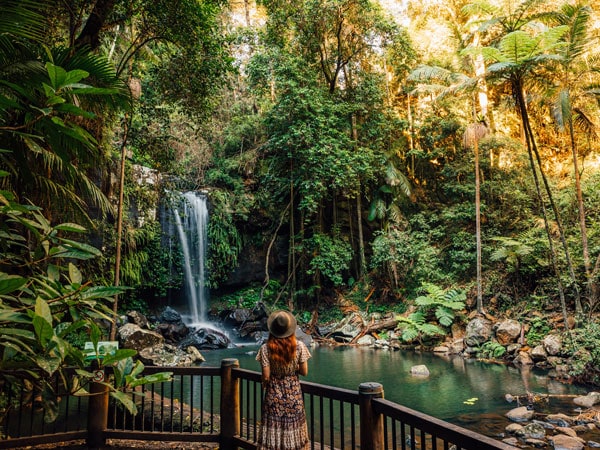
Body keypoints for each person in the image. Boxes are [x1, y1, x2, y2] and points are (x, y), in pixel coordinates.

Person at [256, 310, 311, 450]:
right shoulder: (299, 346)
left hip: (273, 395)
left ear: (272, 330)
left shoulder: (265, 348)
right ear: (290, 329)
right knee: (293, 428)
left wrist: (266, 381)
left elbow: (266, 376)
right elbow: (304, 372)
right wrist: (291, 371)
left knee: (274, 428)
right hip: (294, 395)